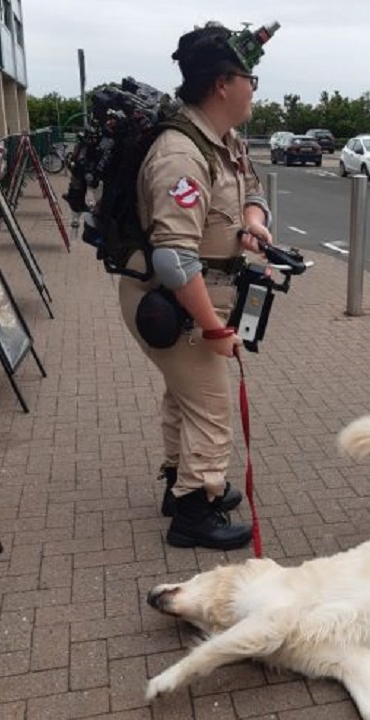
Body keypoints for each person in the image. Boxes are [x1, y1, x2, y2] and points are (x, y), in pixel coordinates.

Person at [118, 22, 274, 550]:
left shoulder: (220, 139)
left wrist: (251, 221)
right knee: (210, 405)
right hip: (172, 302)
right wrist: (213, 330)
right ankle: (193, 513)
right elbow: (174, 258)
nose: (255, 86)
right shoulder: (181, 154)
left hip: (194, 297)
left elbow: (250, 187)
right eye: (250, 77)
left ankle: (177, 483)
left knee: (184, 395)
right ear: (223, 84)